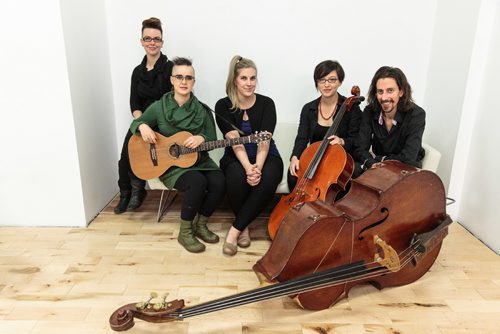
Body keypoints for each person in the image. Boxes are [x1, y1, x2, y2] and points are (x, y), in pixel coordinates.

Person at [130, 57, 225, 253]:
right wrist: (144, 125)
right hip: (170, 165)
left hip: (199, 160)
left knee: (219, 181)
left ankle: (201, 225)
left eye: (188, 78)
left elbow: (211, 137)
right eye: (179, 77)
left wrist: (201, 138)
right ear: (172, 80)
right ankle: (185, 231)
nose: (184, 81)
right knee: (197, 182)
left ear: (194, 82)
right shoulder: (160, 106)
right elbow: (135, 124)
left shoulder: (203, 110)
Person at [215, 55, 283, 256]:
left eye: (253, 78)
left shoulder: (267, 104)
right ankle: (244, 227)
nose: (249, 83)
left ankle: (234, 232)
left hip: (266, 154)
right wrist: (248, 168)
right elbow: (235, 143)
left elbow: (265, 141)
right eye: (244, 78)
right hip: (237, 156)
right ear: (234, 80)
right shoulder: (222, 105)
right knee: (235, 176)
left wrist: (258, 169)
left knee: (268, 177)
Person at [114, 17, 174, 214]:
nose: (152, 42)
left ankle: (139, 192)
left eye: (156, 39)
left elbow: (172, 101)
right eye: (147, 38)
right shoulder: (137, 72)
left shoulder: (170, 68)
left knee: (142, 155)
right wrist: (141, 124)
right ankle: (125, 194)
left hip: (163, 121)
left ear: (162, 42)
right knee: (125, 156)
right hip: (142, 121)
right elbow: (134, 103)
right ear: (141, 41)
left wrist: (153, 124)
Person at [287, 60, 362, 191]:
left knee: (350, 175)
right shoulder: (308, 109)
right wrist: (295, 157)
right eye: (322, 80)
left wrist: (342, 141)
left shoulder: (352, 108)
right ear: (316, 82)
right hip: (315, 159)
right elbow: (302, 138)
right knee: (293, 174)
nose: (326, 85)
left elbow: (358, 140)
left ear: (340, 82)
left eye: (332, 80)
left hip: (340, 161)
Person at [353, 66, 425, 176]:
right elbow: (360, 148)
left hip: (404, 170)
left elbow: (408, 158)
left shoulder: (416, 114)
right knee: (351, 173)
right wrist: (370, 162)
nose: (384, 97)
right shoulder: (370, 111)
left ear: (401, 92)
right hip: (377, 167)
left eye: (390, 91)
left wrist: (378, 159)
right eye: (380, 92)